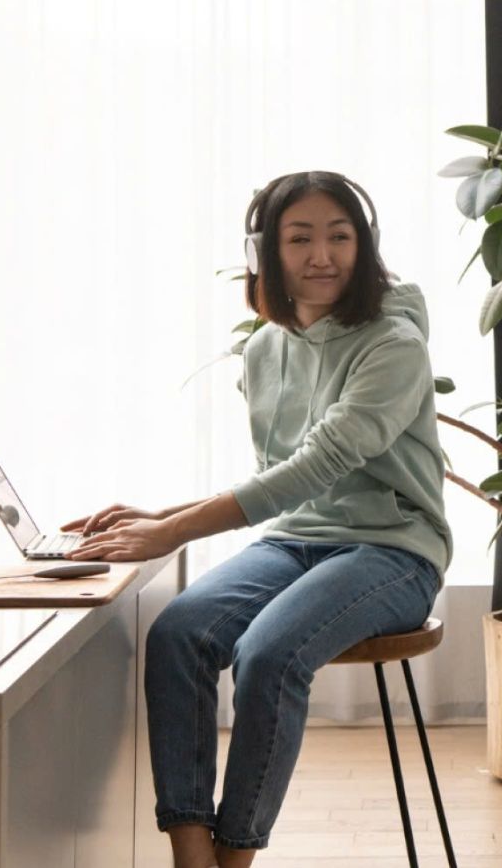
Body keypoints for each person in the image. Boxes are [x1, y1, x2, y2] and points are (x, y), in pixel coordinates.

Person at [62, 171, 452, 868]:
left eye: (340, 236)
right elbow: (282, 476)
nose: (322, 255)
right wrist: (165, 512)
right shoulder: (264, 350)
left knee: (269, 655)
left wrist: (175, 532)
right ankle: (192, 854)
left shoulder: (393, 342)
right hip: (297, 540)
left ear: (365, 246)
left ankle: (233, 859)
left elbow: (320, 463)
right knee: (179, 631)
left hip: (393, 550)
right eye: (299, 238)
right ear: (262, 253)